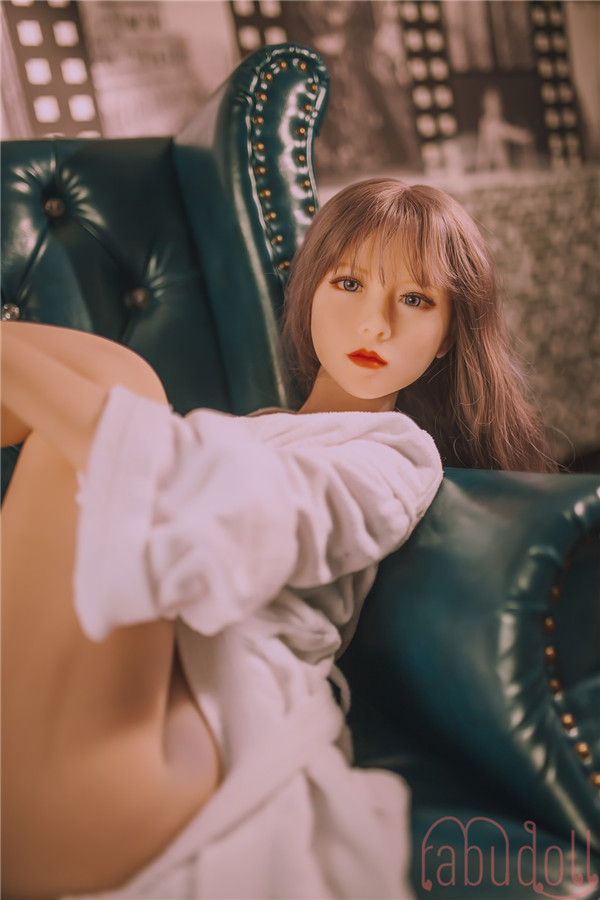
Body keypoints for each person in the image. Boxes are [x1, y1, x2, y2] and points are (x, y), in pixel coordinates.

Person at [1, 178, 553, 900]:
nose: (375, 324)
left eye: (415, 300)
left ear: (448, 333)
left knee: (118, 381)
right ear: (310, 291)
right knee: (93, 417)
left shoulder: (395, 454)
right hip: (63, 728)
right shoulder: (244, 432)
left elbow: (262, 517)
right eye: (349, 283)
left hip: (153, 774)